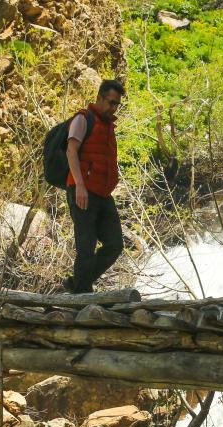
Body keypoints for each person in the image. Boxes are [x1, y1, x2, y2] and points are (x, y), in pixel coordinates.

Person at [63, 79, 125, 294]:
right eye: (110, 102)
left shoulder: (108, 126)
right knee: (86, 247)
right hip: (82, 190)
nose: (113, 107)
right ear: (99, 98)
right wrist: (79, 185)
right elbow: (71, 151)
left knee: (115, 244)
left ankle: (77, 283)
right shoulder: (83, 119)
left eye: (117, 104)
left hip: (103, 194)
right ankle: (82, 294)